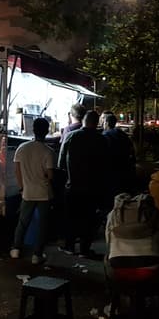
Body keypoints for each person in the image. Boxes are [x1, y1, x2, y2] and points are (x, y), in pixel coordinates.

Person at [58, 110, 109, 256]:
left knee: (71, 217)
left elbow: (61, 163)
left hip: (73, 186)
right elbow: (106, 165)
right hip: (93, 187)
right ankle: (84, 249)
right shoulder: (102, 140)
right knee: (89, 219)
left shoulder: (71, 136)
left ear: (83, 121)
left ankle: (69, 246)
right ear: (97, 123)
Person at [10, 118, 55, 265]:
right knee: (42, 225)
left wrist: (22, 187)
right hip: (44, 193)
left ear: (33, 130)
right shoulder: (48, 151)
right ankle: (37, 255)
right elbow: (50, 175)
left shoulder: (22, 148)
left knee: (22, 222)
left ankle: (16, 249)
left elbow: (17, 171)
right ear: (46, 131)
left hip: (27, 192)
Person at [102, 113, 136, 199]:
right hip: (124, 167)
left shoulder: (105, 135)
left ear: (106, 123)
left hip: (111, 169)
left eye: (103, 122)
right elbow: (131, 150)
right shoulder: (123, 134)